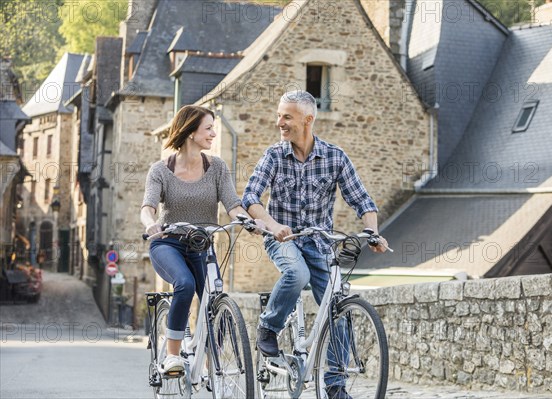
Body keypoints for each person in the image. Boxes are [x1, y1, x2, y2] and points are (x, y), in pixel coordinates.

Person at [242, 90, 388, 399]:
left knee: (338, 310)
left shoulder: (334, 156)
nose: (279, 122)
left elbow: (363, 200)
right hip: (282, 240)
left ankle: (335, 387)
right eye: (279, 115)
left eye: (286, 117)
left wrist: (372, 232)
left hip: (320, 245)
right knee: (297, 274)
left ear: (308, 120)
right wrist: (272, 225)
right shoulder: (274, 155)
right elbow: (251, 198)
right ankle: (268, 327)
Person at [141, 105, 263, 374]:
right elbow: (148, 206)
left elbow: (233, 203)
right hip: (168, 243)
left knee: (215, 297)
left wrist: (247, 220)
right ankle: (173, 356)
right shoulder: (160, 170)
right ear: (190, 131)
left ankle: (211, 359)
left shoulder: (217, 167)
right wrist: (151, 225)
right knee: (184, 284)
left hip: (202, 245)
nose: (213, 134)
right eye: (208, 128)